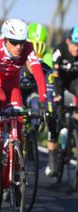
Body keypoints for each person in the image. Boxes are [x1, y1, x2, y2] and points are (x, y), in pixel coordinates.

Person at [0, 18, 47, 185]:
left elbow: (39, 76)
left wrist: (42, 101)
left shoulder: (28, 48)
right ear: (5, 39)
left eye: (22, 42)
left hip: (13, 86)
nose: (19, 46)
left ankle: (15, 165)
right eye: (14, 42)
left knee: (18, 124)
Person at [19, 23, 58, 177]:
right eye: (30, 61)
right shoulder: (18, 64)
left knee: (37, 106)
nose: (33, 65)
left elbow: (48, 92)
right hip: (17, 93)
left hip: (32, 93)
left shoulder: (45, 68)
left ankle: (30, 136)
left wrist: (48, 110)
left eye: (38, 61)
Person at [49, 25, 78, 176]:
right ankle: (53, 158)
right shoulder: (59, 51)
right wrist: (57, 95)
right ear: (68, 41)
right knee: (54, 117)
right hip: (59, 81)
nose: (76, 48)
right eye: (74, 44)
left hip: (74, 82)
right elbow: (55, 77)